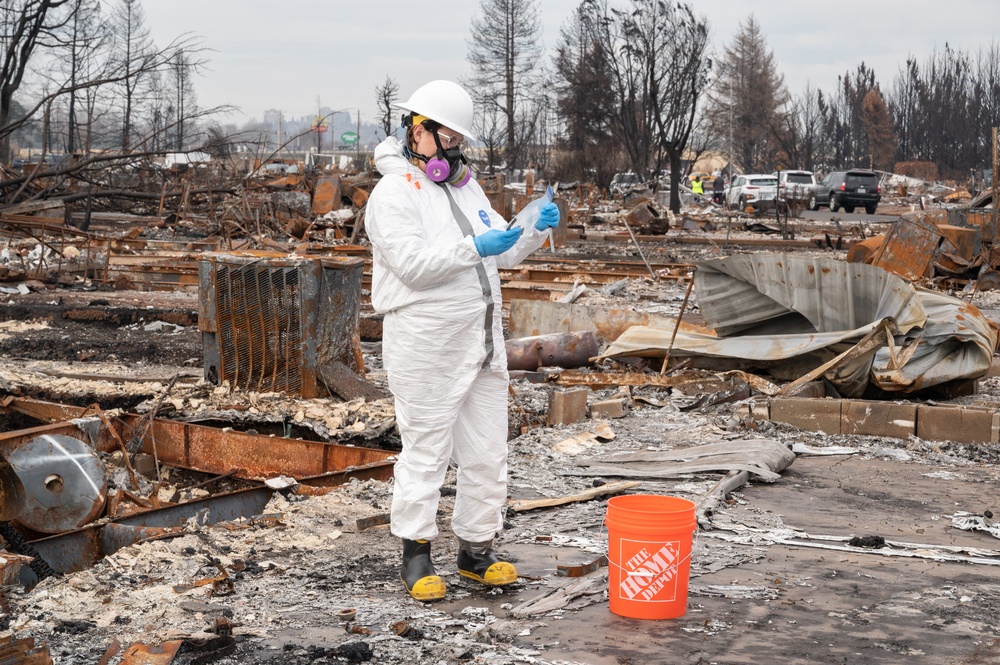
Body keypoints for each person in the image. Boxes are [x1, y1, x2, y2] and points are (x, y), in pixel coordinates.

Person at [365, 80, 560, 602]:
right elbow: (412, 267)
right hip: (426, 345)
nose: (453, 149)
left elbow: (504, 252)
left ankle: (476, 551)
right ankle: (416, 554)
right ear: (417, 131)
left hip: (482, 345)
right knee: (426, 451)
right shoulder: (393, 194)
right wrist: (473, 246)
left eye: (458, 141)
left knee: (487, 453)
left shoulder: (466, 189)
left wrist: (533, 227)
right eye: (445, 138)